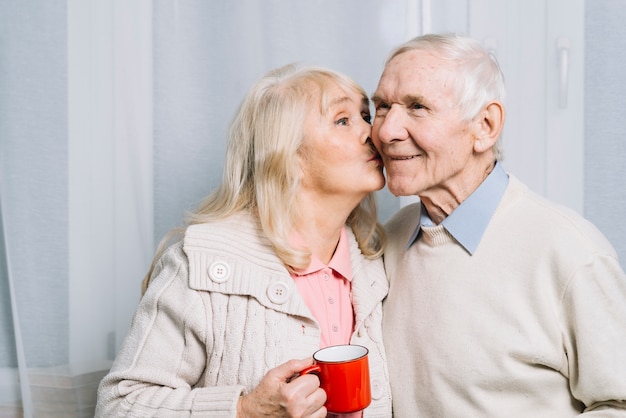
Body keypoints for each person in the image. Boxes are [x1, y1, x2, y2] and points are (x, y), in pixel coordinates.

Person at [95, 63, 392, 417]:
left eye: (365, 114)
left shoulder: (378, 268)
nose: (375, 132)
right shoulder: (200, 266)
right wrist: (245, 410)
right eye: (343, 120)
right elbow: (119, 405)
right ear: (289, 157)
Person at [371, 33, 626, 417]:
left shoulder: (570, 252)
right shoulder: (386, 243)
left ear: (485, 126)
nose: (387, 131)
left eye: (418, 107)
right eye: (381, 107)